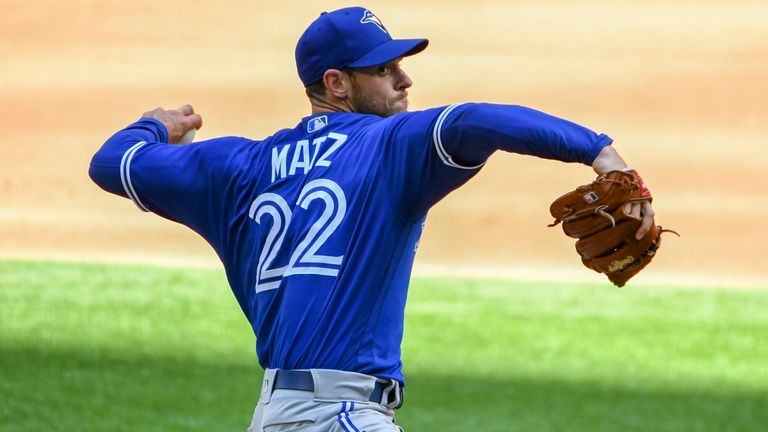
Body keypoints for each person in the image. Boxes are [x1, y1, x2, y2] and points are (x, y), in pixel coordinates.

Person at [89, 6, 654, 431]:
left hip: (274, 416)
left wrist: (152, 126)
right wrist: (600, 151)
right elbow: (479, 119)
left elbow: (111, 163)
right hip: (339, 415)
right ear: (337, 83)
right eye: (384, 70)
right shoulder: (389, 147)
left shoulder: (232, 166)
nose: (405, 81)